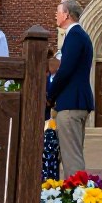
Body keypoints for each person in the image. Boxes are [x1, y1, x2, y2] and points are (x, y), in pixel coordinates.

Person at [47, 0, 94, 179]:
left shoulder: (74, 35)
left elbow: (65, 71)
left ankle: (76, 201)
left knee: (71, 158)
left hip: (70, 104)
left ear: (66, 14)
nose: (56, 15)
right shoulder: (79, 35)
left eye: (58, 12)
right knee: (71, 153)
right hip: (76, 102)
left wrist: (50, 96)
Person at [42, 54, 61, 182]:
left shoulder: (53, 78)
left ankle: (51, 180)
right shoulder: (45, 78)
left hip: (51, 118)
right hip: (45, 117)